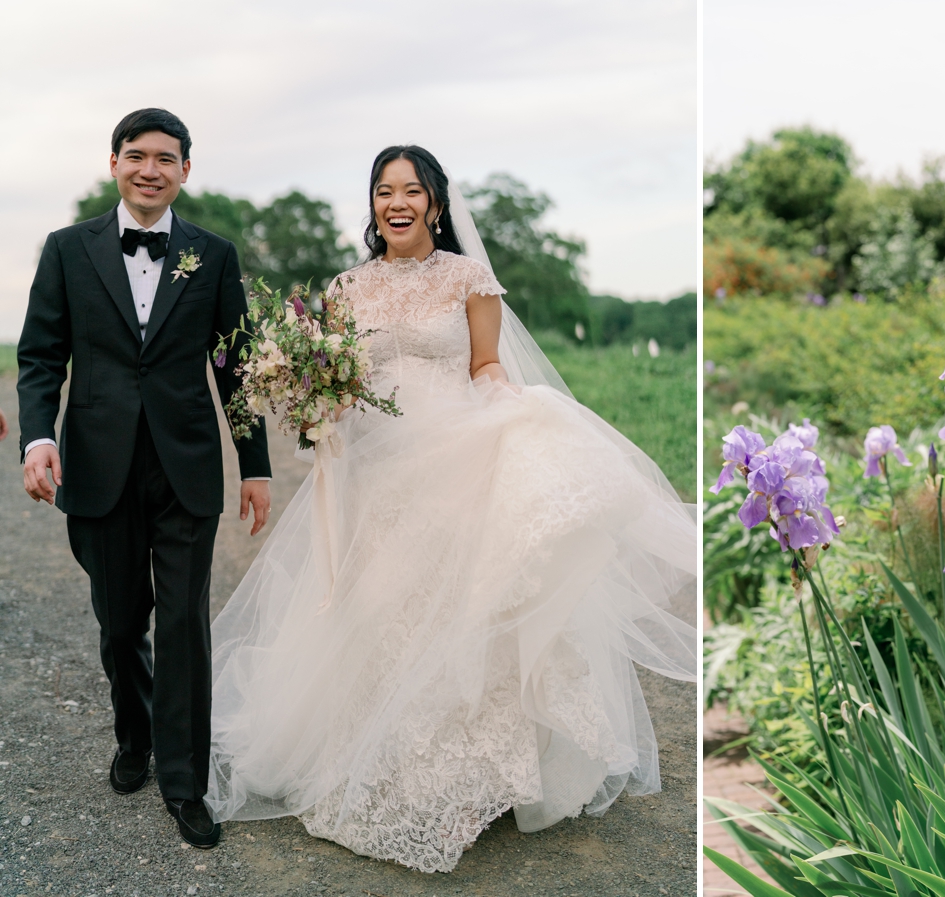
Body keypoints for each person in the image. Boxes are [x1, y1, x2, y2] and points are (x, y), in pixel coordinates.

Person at [204, 145, 696, 873]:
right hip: (373, 471)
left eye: (411, 190)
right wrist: (312, 408)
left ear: (436, 202)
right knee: (377, 610)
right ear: (371, 204)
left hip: (456, 460)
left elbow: (487, 366)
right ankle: (383, 760)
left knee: (461, 611)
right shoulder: (344, 287)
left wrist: (517, 413)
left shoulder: (471, 278)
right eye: (383, 190)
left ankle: (475, 781)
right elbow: (330, 380)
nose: (395, 202)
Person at [15, 109, 272, 849]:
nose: (150, 168)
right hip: (97, 465)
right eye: (137, 155)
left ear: (186, 170)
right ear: (114, 163)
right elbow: (40, 355)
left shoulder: (214, 255)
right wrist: (38, 437)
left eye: (166, 157)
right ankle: (136, 734)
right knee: (121, 620)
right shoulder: (67, 249)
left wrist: (254, 467)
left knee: (185, 621)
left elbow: (236, 368)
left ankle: (185, 782)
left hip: (186, 465)